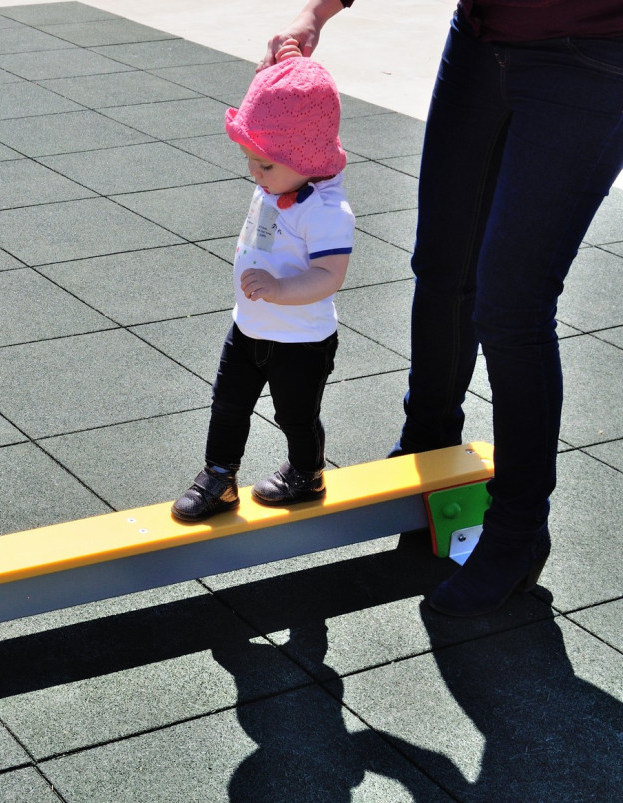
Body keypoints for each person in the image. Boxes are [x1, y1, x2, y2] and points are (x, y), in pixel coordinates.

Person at [262, 0, 623, 615]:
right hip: (482, 38)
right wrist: (317, 12)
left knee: (513, 305)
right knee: (443, 267)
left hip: (592, 52)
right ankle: (427, 446)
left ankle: (517, 531)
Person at [172, 49, 355, 522]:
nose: (254, 173)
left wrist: (278, 289)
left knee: (295, 414)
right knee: (227, 405)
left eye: (265, 164)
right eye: (250, 160)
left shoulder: (327, 211)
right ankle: (219, 476)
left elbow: (329, 276)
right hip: (249, 327)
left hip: (301, 340)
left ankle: (307, 472)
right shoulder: (274, 185)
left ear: (306, 157)